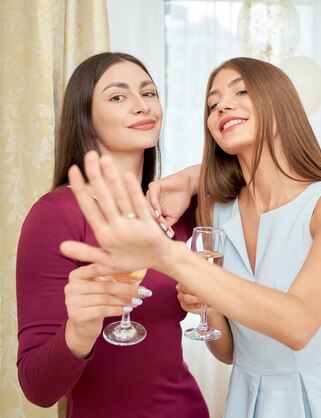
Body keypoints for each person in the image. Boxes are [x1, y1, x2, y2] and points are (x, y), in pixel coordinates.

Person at [59, 57, 321, 418]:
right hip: (249, 399)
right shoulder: (215, 210)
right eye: (212, 103)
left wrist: (174, 257)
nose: (223, 105)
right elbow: (230, 351)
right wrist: (209, 304)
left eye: (241, 91)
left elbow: (298, 326)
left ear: (281, 103)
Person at [15, 52, 209, 418]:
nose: (140, 106)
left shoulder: (175, 207)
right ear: (85, 117)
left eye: (148, 93)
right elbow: (37, 388)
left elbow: (262, 168)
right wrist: (79, 331)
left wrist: (192, 176)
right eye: (118, 96)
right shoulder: (55, 215)